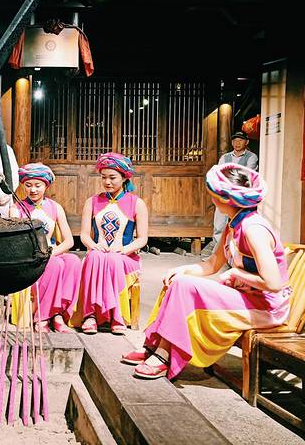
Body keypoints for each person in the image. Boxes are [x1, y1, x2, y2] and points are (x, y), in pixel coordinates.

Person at [122, 163, 289, 380]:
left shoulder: (254, 229)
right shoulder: (234, 225)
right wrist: (182, 269)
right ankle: (154, 346)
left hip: (265, 306)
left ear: (227, 198)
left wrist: (236, 274)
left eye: (214, 193)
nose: (211, 197)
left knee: (184, 286)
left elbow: (274, 284)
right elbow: (212, 264)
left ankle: (164, 355)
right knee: (177, 281)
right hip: (245, 295)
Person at [78, 153, 149, 335]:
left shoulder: (137, 203)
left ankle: (117, 316)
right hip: (99, 254)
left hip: (125, 256)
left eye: (112, 177)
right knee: (94, 257)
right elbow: (84, 235)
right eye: (103, 177)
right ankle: (90, 315)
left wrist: (123, 249)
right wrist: (93, 245)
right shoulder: (92, 201)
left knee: (113, 259)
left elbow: (142, 239)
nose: (107, 182)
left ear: (124, 177)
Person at [10, 163, 82, 333]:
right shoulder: (16, 208)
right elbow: (16, 241)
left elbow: (69, 241)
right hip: (29, 256)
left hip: (50, 252)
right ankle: (42, 317)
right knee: (55, 264)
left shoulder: (55, 207)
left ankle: (59, 313)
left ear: (46, 186)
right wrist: (44, 256)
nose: (33, 190)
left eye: (38, 185)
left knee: (73, 261)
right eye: (28, 185)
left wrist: (50, 253)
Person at [206, 130, 259, 255]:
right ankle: (217, 253)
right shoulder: (225, 157)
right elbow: (219, 173)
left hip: (241, 196)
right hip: (225, 194)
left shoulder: (252, 157)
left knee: (240, 223)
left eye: (240, 140)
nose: (237, 143)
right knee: (219, 223)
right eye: (235, 140)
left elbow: (247, 175)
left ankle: (237, 253)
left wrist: (228, 176)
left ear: (247, 142)